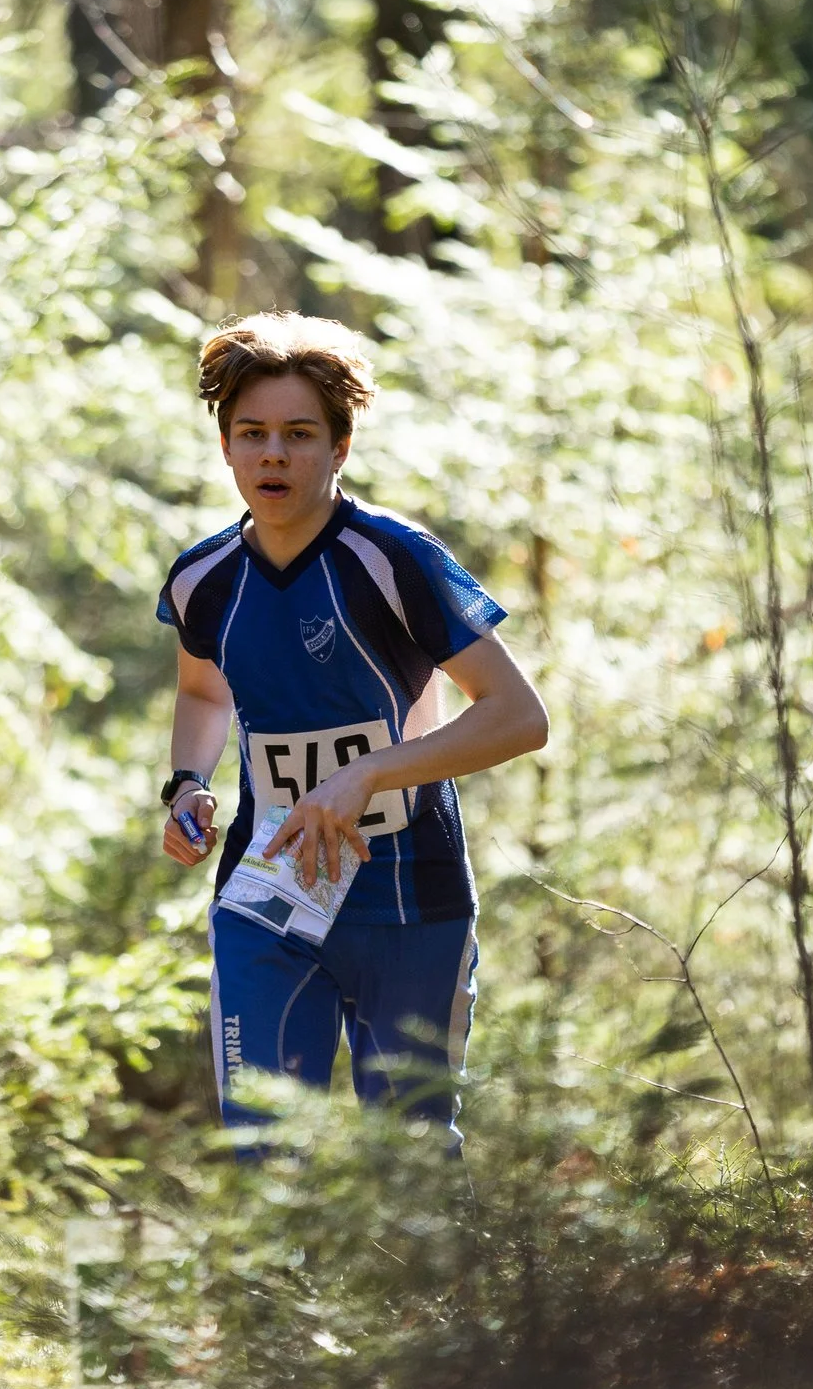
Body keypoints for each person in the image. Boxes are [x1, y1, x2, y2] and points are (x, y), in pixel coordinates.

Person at [155, 312, 549, 1154]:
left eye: (300, 434)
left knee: (409, 1164)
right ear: (224, 447)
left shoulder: (393, 559)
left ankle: (427, 1296)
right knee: (262, 1155)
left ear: (339, 447)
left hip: (409, 897)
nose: (273, 455)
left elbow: (519, 717)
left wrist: (369, 773)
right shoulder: (203, 577)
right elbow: (200, 692)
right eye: (251, 433)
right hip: (266, 896)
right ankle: (277, 1297)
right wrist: (187, 785)